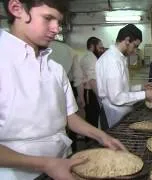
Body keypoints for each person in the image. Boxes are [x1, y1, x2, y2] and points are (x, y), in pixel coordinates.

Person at [0, 1, 125, 180]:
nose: (56, 28)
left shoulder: (55, 69)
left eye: (58, 21)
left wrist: (102, 136)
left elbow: (69, 117)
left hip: (62, 164)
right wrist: (46, 164)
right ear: (16, 8)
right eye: (48, 18)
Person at [96, 24, 152, 129]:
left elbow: (122, 89)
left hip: (120, 115)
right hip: (113, 117)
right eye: (135, 46)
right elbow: (116, 97)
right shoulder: (112, 61)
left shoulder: (119, 58)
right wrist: (145, 95)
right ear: (127, 40)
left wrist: (141, 88)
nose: (135, 50)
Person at [80, 37, 104, 131]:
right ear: (92, 46)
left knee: (92, 119)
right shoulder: (90, 58)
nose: (101, 50)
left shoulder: (90, 57)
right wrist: (101, 98)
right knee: (92, 121)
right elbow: (92, 80)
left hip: (91, 92)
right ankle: (91, 143)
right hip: (91, 93)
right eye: (100, 47)